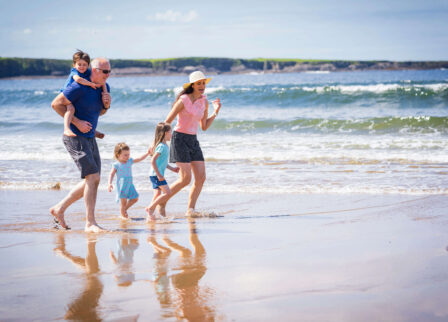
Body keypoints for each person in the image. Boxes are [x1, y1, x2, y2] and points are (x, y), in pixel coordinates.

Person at [49, 57, 112, 232]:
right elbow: (56, 104)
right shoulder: (78, 86)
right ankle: (90, 223)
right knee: (92, 177)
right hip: (74, 137)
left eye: (110, 71)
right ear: (94, 70)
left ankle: (59, 208)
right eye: (105, 71)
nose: (108, 75)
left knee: (94, 179)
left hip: (90, 137)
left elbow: (98, 111)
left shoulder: (103, 88)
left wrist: (106, 105)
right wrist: (76, 122)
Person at [159, 71, 221, 217]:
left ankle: (190, 210)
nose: (202, 86)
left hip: (193, 140)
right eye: (199, 83)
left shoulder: (204, 102)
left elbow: (204, 126)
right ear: (192, 85)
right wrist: (159, 141)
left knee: (201, 177)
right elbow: (167, 121)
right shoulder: (183, 100)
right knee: (185, 179)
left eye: (203, 83)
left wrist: (215, 112)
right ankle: (162, 200)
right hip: (179, 138)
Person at [61, 50, 106, 139]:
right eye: (79, 64)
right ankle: (66, 128)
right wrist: (91, 84)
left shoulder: (87, 72)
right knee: (71, 109)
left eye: (84, 65)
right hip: (67, 94)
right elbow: (78, 80)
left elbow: (100, 79)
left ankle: (92, 130)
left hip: (76, 96)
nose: (82, 67)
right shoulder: (74, 72)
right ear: (74, 65)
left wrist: (105, 92)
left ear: (88, 65)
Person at [146, 122, 179, 222]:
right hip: (156, 175)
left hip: (154, 174)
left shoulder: (164, 146)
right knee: (168, 193)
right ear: (165, 133)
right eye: (170, 132)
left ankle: (150, 216)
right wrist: (159, 174)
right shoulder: (161, 146)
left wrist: (172, 169)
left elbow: (162, 163)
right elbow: (153, 160)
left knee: (157, 195)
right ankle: (150, 208)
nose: (171, 134)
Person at [108, 142, 151, 219]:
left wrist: (147, 153)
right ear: (118, 155)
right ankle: (123, 218)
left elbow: (139, 158)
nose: (127, 156)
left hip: (130, 184)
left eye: (128, 154)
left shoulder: (129, 161)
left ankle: (124, 210)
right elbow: (111, 174)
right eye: (125, 155)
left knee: (135, 198)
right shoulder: (116, 164)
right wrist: (109, 183)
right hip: (122, 185)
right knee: (123, 203)